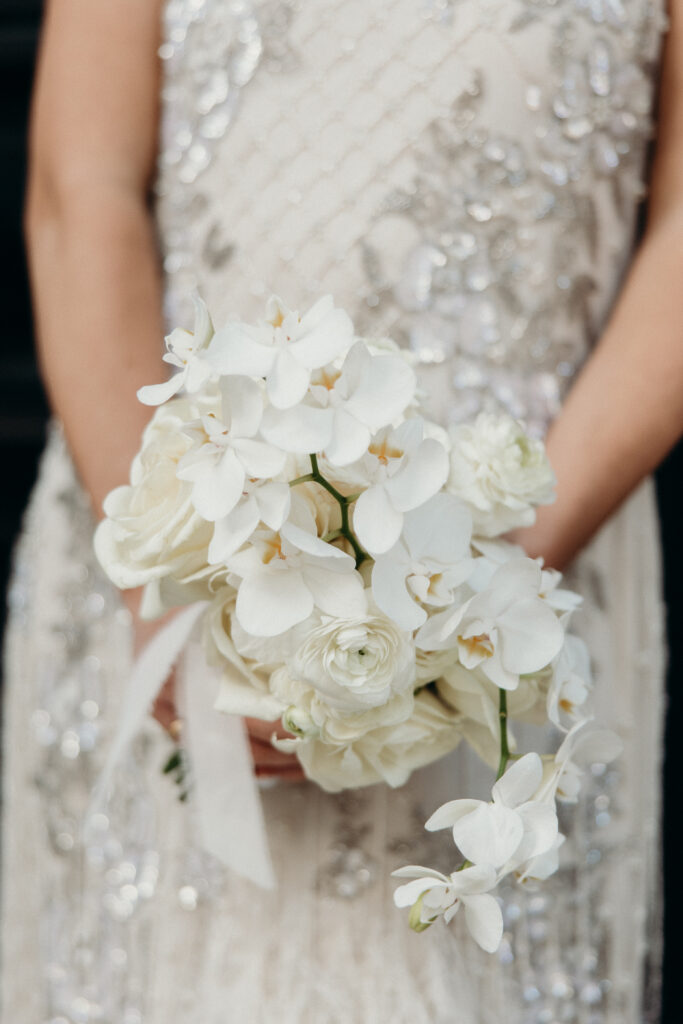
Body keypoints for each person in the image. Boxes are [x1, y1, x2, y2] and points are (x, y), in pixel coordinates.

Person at [1, 0, 675, 1020]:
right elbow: (79, 185)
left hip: (527, 577)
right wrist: (170, 582)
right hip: (166, 550)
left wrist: (475, 609)